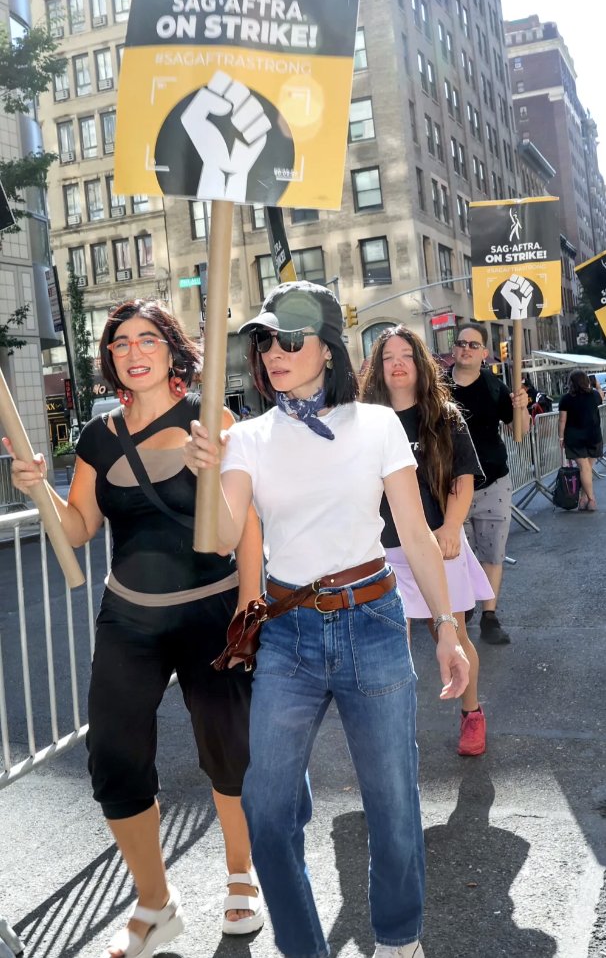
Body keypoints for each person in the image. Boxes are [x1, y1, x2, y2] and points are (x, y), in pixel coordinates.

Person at [185, 280, 469, 958]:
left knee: (393, 804)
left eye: (290, 338)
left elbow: (415, 534)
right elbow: (221, 538)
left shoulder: (376, 425)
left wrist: (447, 628)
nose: (274, 353)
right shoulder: (248, 437)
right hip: (288, 634)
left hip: (372, 620)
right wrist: (208, 472)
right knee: (266, 811)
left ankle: (398, 938)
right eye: (265, 341)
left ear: (329, 348)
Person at [3, 299, 264, 958]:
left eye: (147, 339)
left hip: (211, 611)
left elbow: (244, 526)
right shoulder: (97, 437)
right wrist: (39, 490)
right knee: (114, 759)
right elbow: (78, 529)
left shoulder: (213, 419)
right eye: (120, 344)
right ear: (110, 361)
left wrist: (250, 604)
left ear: (173, 351)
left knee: (229, 750)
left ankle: (242, 873)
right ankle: (154, 903)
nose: (133, 351)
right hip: (129, 618)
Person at [361, 326, 493, 756]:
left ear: (420, 363)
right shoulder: (365, 422)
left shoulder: (444, 415)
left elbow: (463, 480)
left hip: (438, 544)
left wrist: (452, 528)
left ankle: (471, 714)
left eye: (405, 355)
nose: (397, 363)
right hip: (383, 551)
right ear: (377, 368)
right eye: (387, 357)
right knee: (390, 648)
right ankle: (394, 731)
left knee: (452, 636)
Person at [447, 323, 531, 646]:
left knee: (493, 552)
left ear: (484, 353)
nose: (466, 349)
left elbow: (519, 431)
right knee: (457, 553)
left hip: (493, 481)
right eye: (461, 343)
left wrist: (521, 408)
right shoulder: (437, 388)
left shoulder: (495, 387)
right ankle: (463, 603)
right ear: (454, 349)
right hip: (450, 486)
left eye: (473, 345)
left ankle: (489, 616)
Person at [558, 369, 603, 511]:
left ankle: (590, 499)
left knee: (584, 469)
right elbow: (601, 396)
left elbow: (562, 420)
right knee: (587, 468)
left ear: (570, 383)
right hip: (594, 437)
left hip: (575, 438)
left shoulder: (566, 399)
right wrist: (597, 385)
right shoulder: (594, 395)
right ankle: (585, 499)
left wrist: (561, 437)